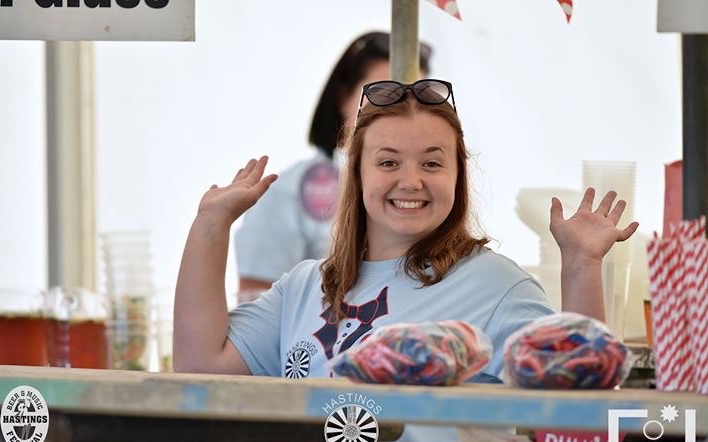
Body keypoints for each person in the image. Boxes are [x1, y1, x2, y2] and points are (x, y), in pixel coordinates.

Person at [173, 79, 638, 383]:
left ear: (457, 176)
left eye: (432, 163)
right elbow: (200, 367)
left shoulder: (498, 285)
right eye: (388, 162)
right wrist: (210, 225)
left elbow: (580, 382)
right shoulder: (303, 287)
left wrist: (582, 265)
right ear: (357, 175)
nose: (411, 181)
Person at [233, 32, 433, 298]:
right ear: (342, 96)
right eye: (383, 94)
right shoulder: (286, 193)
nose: (402, 112)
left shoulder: (428, 193)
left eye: (418, 98)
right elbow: (254, 308)